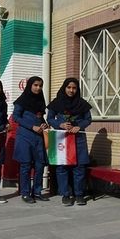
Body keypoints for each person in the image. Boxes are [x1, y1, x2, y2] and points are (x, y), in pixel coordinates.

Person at [47, 77, 93, 206]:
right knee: (62, 167)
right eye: (69, 87)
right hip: (62, 138)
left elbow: (88, 119)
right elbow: (49, 119)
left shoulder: (82, 103)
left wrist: (80, 126)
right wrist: (59, 124)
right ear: (64, 88)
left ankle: (79, 194)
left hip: (78, 138)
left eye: (74, 88)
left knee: (79, 167)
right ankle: (65, 194)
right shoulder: (56, 102)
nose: (71, 90)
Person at [13, 76, 49, 204]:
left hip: (38, 137)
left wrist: (44, 124)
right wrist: (31, 126)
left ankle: (37, 192)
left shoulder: (40, 101)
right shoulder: (22, 101)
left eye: (40, 85)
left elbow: (40, 118)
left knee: (40, 165)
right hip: (25, 136)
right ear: (30, 86)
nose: (38, 88)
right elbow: (16, 117)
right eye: (35, 85)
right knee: (26, 165)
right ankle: (25, 193)